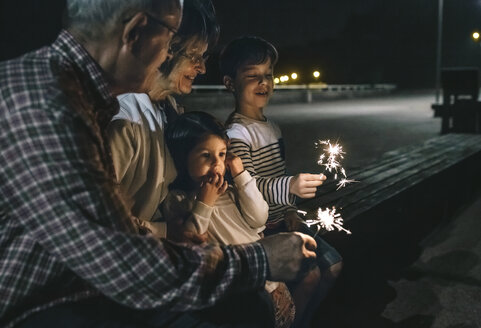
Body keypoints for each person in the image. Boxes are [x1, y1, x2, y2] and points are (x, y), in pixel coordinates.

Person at [0, 1, 317, 327]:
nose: (170, 54)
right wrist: (260, 259)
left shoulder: (80, 95)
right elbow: (123, 264)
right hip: (41, 303)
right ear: (136, 32)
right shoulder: (46, 107)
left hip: (78, 287)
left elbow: (106, 221)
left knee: (247, 307)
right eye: (170, 41)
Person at [220, 36, 343, 327]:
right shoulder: (237, 133)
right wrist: (289, 187)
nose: (263, 82)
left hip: (281, 221)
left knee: (334, 264)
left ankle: (303, 320)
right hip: (260, 231)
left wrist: (289, 209)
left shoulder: (272, 127)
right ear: (229, 83)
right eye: (252, 76)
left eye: (268, 75)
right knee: (311, 275)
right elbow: (248, 186)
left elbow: (276, 173)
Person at [164, 111, 295, 328]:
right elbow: (191, 239)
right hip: (244, 292)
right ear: (182, 156)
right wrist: (205, 202)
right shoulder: (178, 200)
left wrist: (241, 174)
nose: (217, 164)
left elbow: (259, 217)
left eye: (222, 154)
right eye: (206, 155)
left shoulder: (232, 191)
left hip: (271, 282)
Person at [107, 0, 219, 240]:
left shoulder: (167, 110)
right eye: (193, 56)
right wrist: (165, 231)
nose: (202, 68)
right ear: (163, 49)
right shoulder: (123, 120)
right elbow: (93, 214)